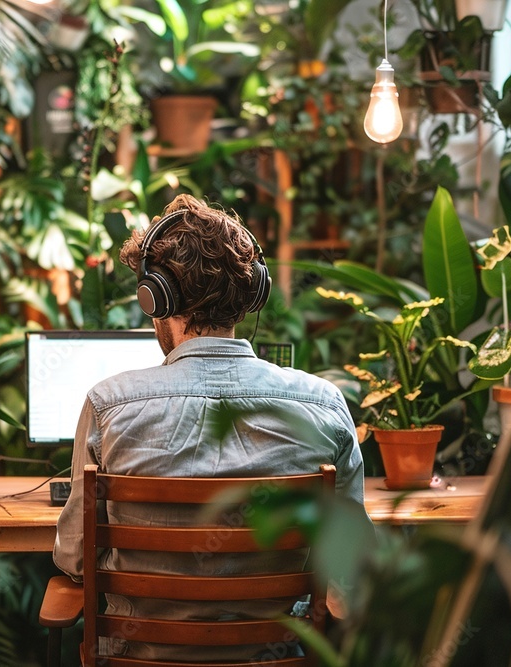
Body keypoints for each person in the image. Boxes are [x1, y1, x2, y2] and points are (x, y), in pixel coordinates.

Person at [53, 193, 367, 661]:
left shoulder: (108, 406)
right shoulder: (323, 405)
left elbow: (75, 561)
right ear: (252, 294)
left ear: (156, 296)